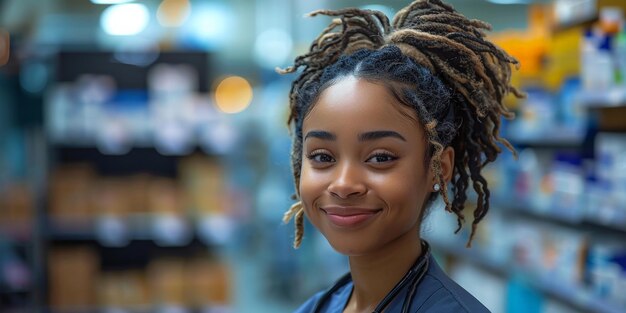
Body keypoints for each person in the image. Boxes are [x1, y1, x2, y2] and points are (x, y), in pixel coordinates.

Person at [278, 0, 524, 312]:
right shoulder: (317, 307)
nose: (343, 184)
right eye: (323, 157)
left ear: (438, 168)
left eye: (380, 158)